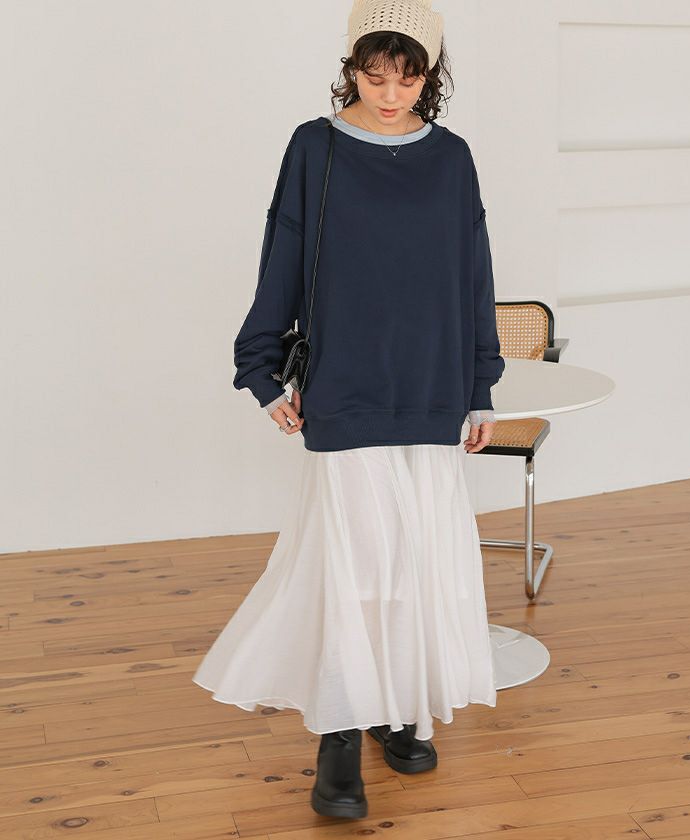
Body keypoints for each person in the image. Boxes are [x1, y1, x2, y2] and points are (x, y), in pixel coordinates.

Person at [192, 0, 505, 821]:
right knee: (351, 567)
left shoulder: (452, 159)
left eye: (408, 78)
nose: (391, 94)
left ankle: (394, 705)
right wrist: (261, 371)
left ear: (429, 76)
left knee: (413, 564)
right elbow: (283, 256)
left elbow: (473, 274)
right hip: (346, 387)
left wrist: (481, 384)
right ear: (351, 71)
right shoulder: (316, 148)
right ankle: (338, 736)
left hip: (433, 389)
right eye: (375, 76)